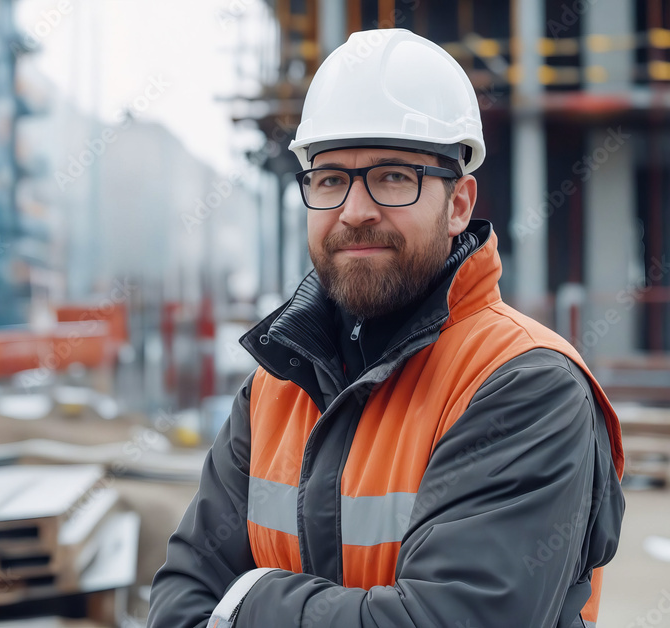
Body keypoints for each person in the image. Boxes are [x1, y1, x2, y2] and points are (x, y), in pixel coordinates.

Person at [147, 28, 625, 628]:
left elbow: (451, 621)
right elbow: (179, 606)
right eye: (329, 179)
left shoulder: (525, 384)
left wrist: (250, 602)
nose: (354, 211)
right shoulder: (275, 388)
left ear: (458, 204)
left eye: (393, 176)